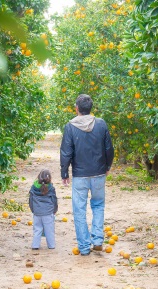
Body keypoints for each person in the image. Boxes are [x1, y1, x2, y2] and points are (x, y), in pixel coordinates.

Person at [60, 94, 114, 256]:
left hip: (80, 175)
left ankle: (84, 247)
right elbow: (109, 149)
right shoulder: (101, 124)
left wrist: (64, 172)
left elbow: (66, 152)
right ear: (91, 108)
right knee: (98, 206)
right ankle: (97, 240)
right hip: (98, 173)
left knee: (79, 210)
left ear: (77, 108)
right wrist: (107, 166)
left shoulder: (70, 126)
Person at [29, 169, 58, 250]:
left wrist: (33, 210)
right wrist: (55, 210)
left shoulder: (33, 188)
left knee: (37, 230)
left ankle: (35, 246)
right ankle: (51, 245)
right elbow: (54, 200)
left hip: (37, 212)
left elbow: (30, 200)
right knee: (49, 230)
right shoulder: (51, 188)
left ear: (38, 177)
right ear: (49, 178)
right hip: (48, 213)